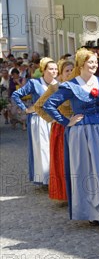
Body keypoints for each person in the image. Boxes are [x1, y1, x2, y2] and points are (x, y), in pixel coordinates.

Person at [43, 48, 99, 230]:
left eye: (95, 62)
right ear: (81, 64)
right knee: (90, 172)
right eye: (90, 62)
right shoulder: (71, 85)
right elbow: (49, 105)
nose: (94, 65)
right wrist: (66, 121)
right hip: (82, 133)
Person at [32, 59, 74, 202]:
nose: (69, 73)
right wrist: (54, 119)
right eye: (66, 71)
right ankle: (66, 193)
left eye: (71, 70)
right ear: (61, 74)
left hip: (78, 126)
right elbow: (38, 107)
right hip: (62, 129)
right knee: (64, 160)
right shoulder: (55, 87)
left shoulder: (78, 85)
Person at [11, 57, 57, 186]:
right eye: (51, 69)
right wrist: (25, 109)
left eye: (55, 69)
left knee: (55, 148)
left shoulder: (58, 83)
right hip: (40, 120)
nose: (54, 72)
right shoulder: (35, 83)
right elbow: (16, 95)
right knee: (42, 149)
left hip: (55, 119)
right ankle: (45, 179)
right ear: (43, 70)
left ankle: (56, 177)